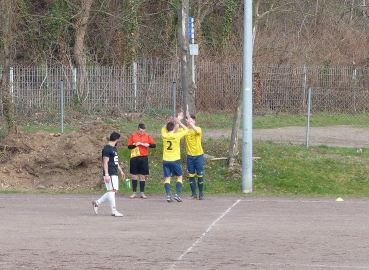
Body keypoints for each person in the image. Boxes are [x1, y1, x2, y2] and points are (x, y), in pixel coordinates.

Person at [92, 132, 125, 217]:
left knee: (114, 191)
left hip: (114, 171)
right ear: (117, 139)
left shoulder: (114, 148)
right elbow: (105, 162)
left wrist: (121, 171)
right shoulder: (107, 149)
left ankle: (97, 202)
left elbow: (115, 162)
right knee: (112, 191)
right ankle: (113, 211)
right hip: (110, 172)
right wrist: (106, 174)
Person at [161, 114, 188, 202]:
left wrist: (170, 121)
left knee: (167, 178)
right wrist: (179, 121)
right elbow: (186, 130)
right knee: (179, 177)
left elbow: (164, 128)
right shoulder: (177, 136)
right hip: (175, 160)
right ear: (173, 129)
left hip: (166, 160)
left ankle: (168, 195)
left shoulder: (164, 135)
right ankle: (177, 194)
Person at [127, 123, 156, 199]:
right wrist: (135, 144)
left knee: (142, 175)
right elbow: (129, 146)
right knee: (134, 175)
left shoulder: (147, 136)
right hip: (135, 157)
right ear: (138, 129)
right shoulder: (133, 135)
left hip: (143, 157)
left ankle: (142, 193)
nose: (141, 133)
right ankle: (134, 193)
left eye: (143, 132)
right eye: (140, 131)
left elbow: (154, 145)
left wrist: (148, 145)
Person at [181, 113, 205, 200]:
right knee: (191, 175)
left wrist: (190, 123)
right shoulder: (186, 130)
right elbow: (176, 130)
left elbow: (197, 131)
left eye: (191, 121)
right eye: (188, 121)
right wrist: (179, 121)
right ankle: (193, 194)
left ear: (194, 121)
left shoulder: (198, 129)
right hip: (190, 156)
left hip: (199, 156)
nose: (189, 123)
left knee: (199, 175)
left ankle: (201, 194)